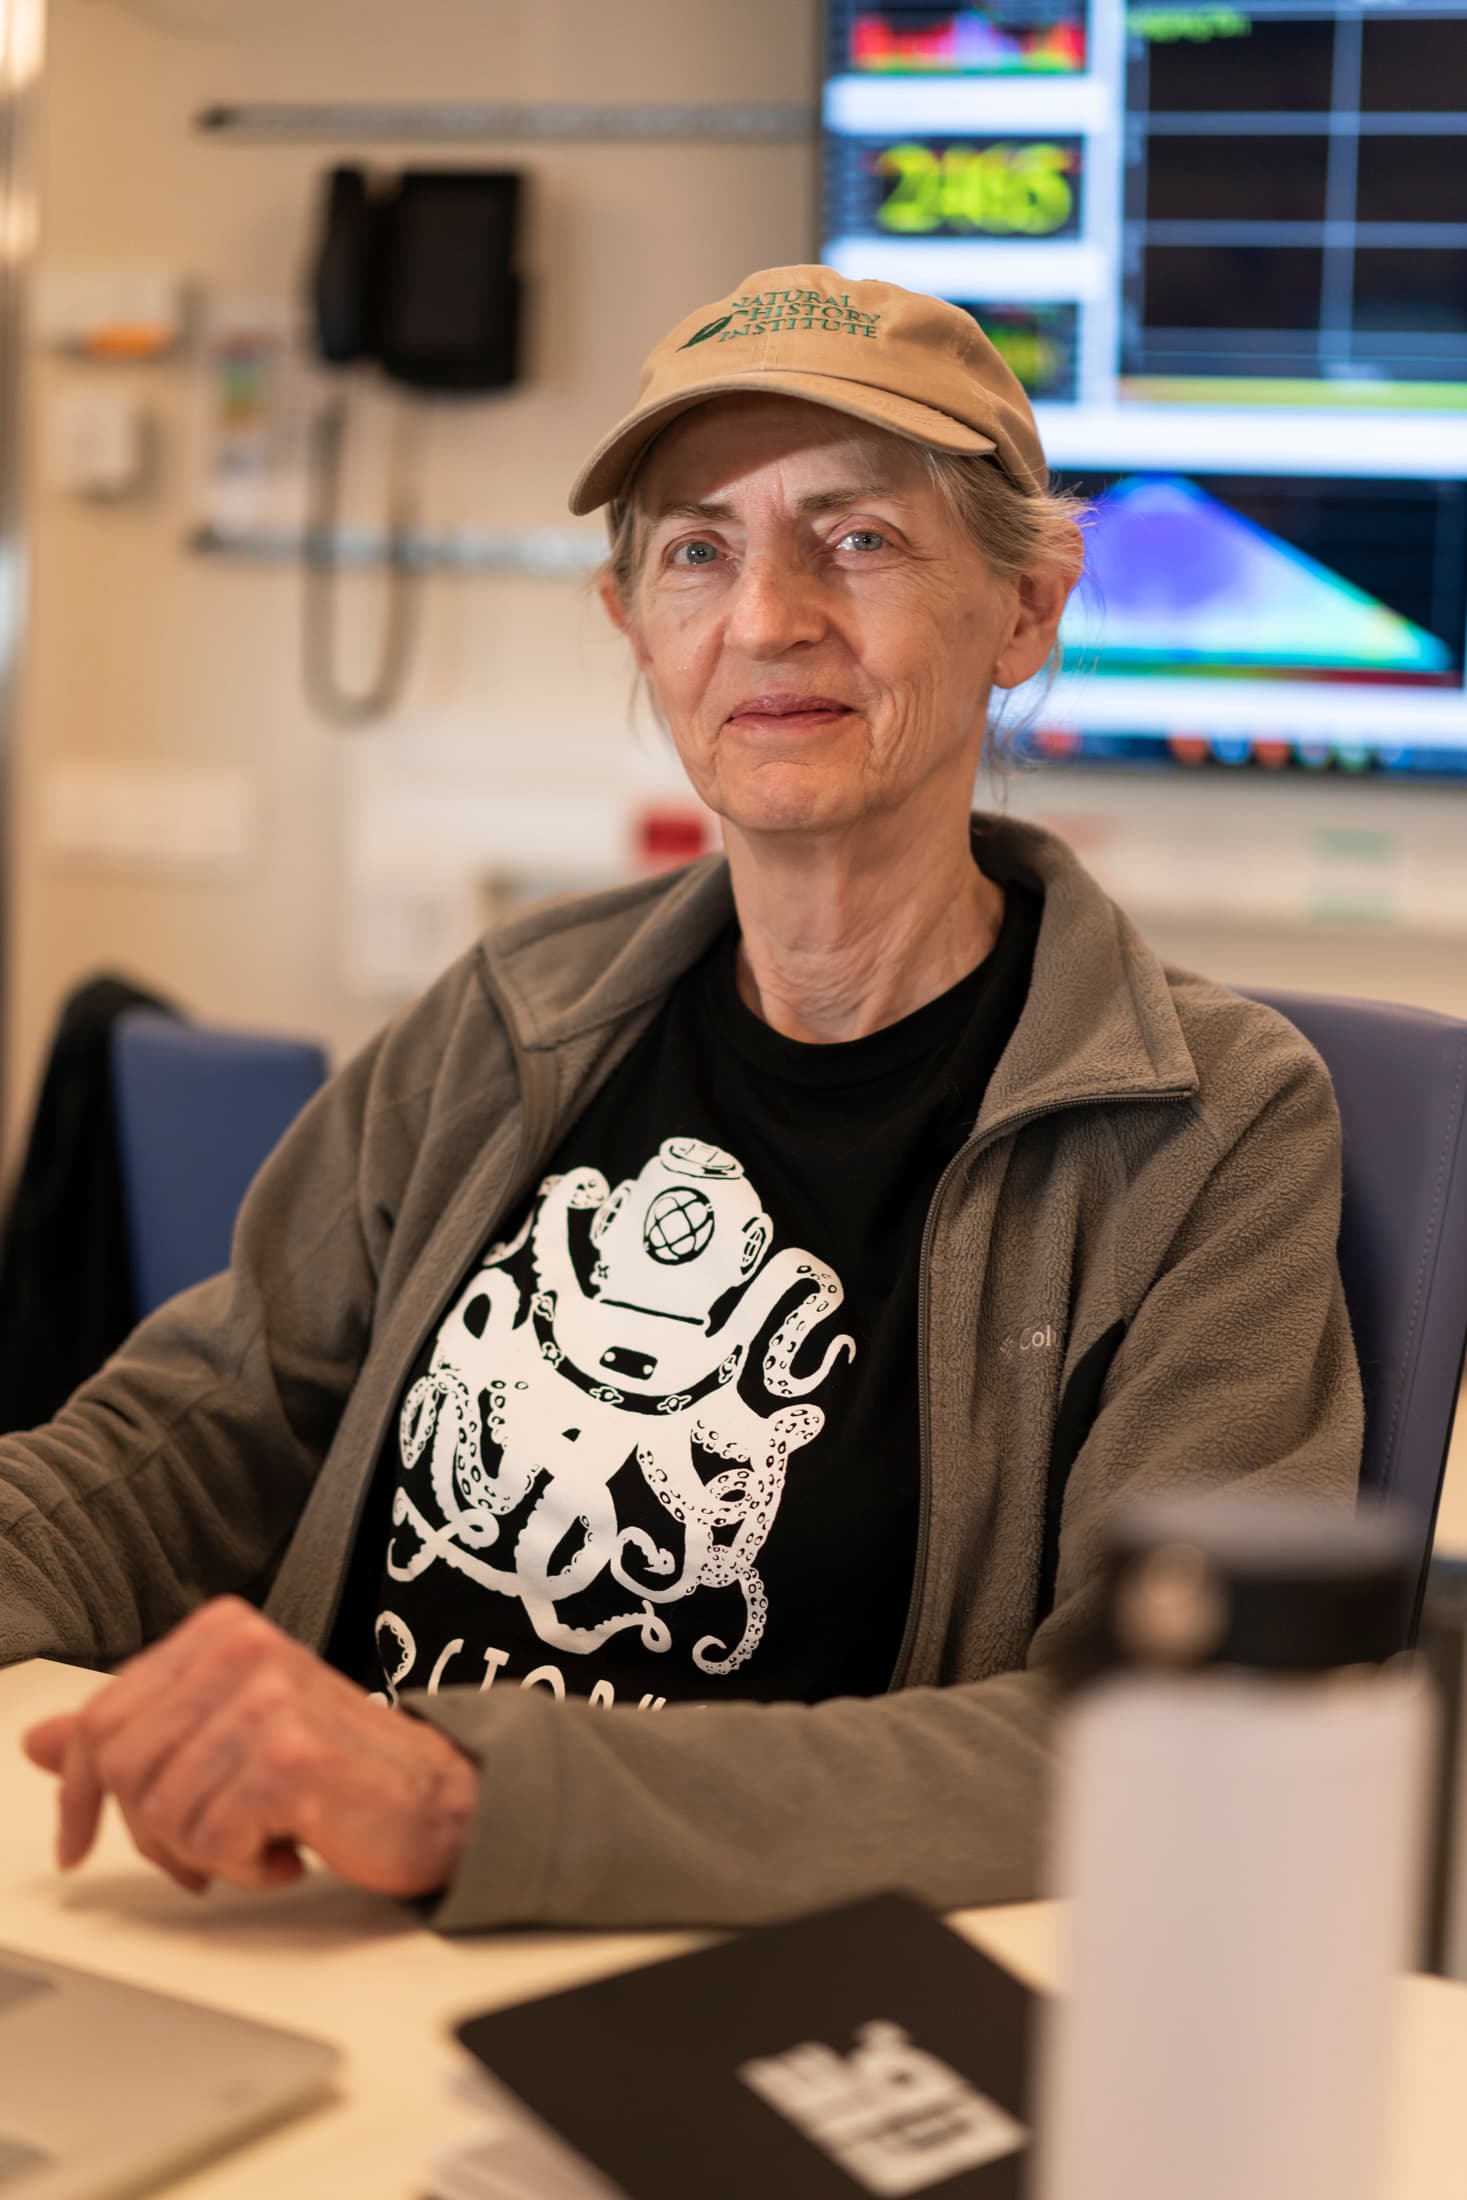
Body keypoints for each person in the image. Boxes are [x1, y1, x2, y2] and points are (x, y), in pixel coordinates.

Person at [7, 265, 1361, 1929]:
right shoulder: (513, 1018)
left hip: (768, 1988)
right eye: (698, 549)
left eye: (859, 538)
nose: (769, 614)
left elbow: (1169, 1739)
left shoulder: (1207, 1125)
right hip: (322, 1937)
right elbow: (199, 1433)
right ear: (634, 623)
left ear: (1025, 610)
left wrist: (469, 1795)